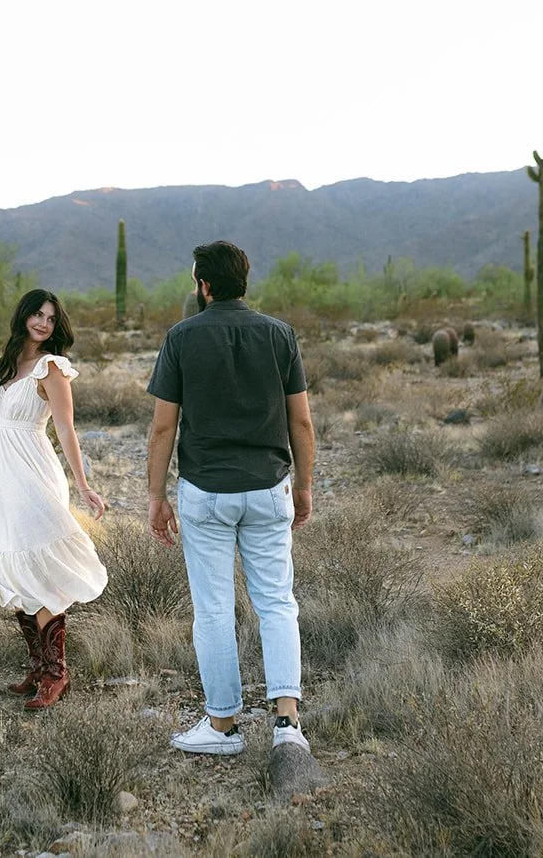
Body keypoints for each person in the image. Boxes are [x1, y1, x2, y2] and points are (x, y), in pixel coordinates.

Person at [146, 241, 315, 754]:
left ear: (204, 285)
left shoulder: (181, 338)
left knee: (215, 610)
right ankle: (287, 724)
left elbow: (162, 428)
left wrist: (156, 494)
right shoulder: (279, 335)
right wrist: (304, 486)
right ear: (244, 281)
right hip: (269, 488)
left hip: (206, 494)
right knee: (277, 603)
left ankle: (223, 728)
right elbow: (301, 421)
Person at [0, 289, 108, 710]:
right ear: (23, 317)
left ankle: (57, 674)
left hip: (36, 475)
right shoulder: (9, 369)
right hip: (10, 481)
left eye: (51, 319)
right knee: (16, 566)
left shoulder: (50, 368)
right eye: (37, 314)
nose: (43, 323)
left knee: (39, 567)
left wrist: (84, 483)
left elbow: (67, 429)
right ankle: (39, 667)